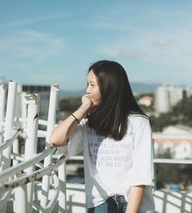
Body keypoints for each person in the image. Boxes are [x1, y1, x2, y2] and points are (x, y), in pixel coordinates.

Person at [50, 60, 155, 213]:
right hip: (99, 201)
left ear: (109, 87)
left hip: (132, 202)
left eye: (92, 85)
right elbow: (56, 139)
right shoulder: (88, 122)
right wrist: (84, 108)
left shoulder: (139, 123)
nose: (87, 90)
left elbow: (140, 177)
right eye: (87, 84)